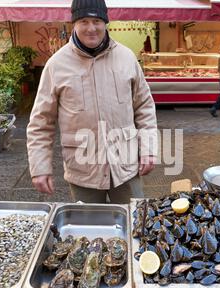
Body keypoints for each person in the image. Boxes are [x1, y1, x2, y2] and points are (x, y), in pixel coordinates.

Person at [26, 0, 158, 204]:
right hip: (83, 171)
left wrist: (148, 149)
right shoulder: (56, 65)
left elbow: (144, 107)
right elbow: (40, 123)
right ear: (74, 24)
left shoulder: (126, 57)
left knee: (135, 224)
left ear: (105, 22)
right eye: (84, 21)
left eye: (96, 21)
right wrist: (40, 168)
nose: (91, 28)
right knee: (87, 229)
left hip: (126, 168)